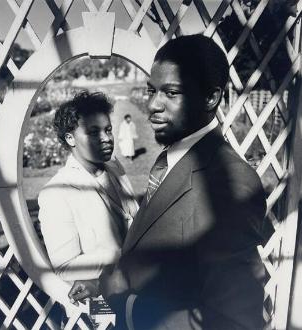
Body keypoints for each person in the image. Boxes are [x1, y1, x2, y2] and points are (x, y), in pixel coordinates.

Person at [99, 35, 273, 330]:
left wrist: (126, 305)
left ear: (210, 98)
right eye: (151, 91)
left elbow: (233, 321)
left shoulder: (229, 183)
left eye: (171, 92)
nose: (153, 104)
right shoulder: (172, 159)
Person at [38, 91, 138, 305]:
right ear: (70, 138)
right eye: (93, 132)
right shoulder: (56, 192)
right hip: (101, 305)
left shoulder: (114, 167)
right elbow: (65, 265)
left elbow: (132, 217)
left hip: (140, 292)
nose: (106, 139)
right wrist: (126, 254)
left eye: (108, 130)